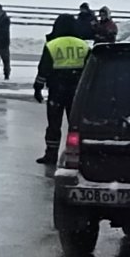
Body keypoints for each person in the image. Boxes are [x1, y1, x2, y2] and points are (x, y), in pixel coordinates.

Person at [33, 13, 90, 165]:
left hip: (57, 90)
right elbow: (89, 69)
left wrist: (38, 88)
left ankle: (51, 154)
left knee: (54, 124)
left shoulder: (53, 44)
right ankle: (78, 155)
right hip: (76, 91)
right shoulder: (83, 45)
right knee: (76, 125)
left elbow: (43, 69)